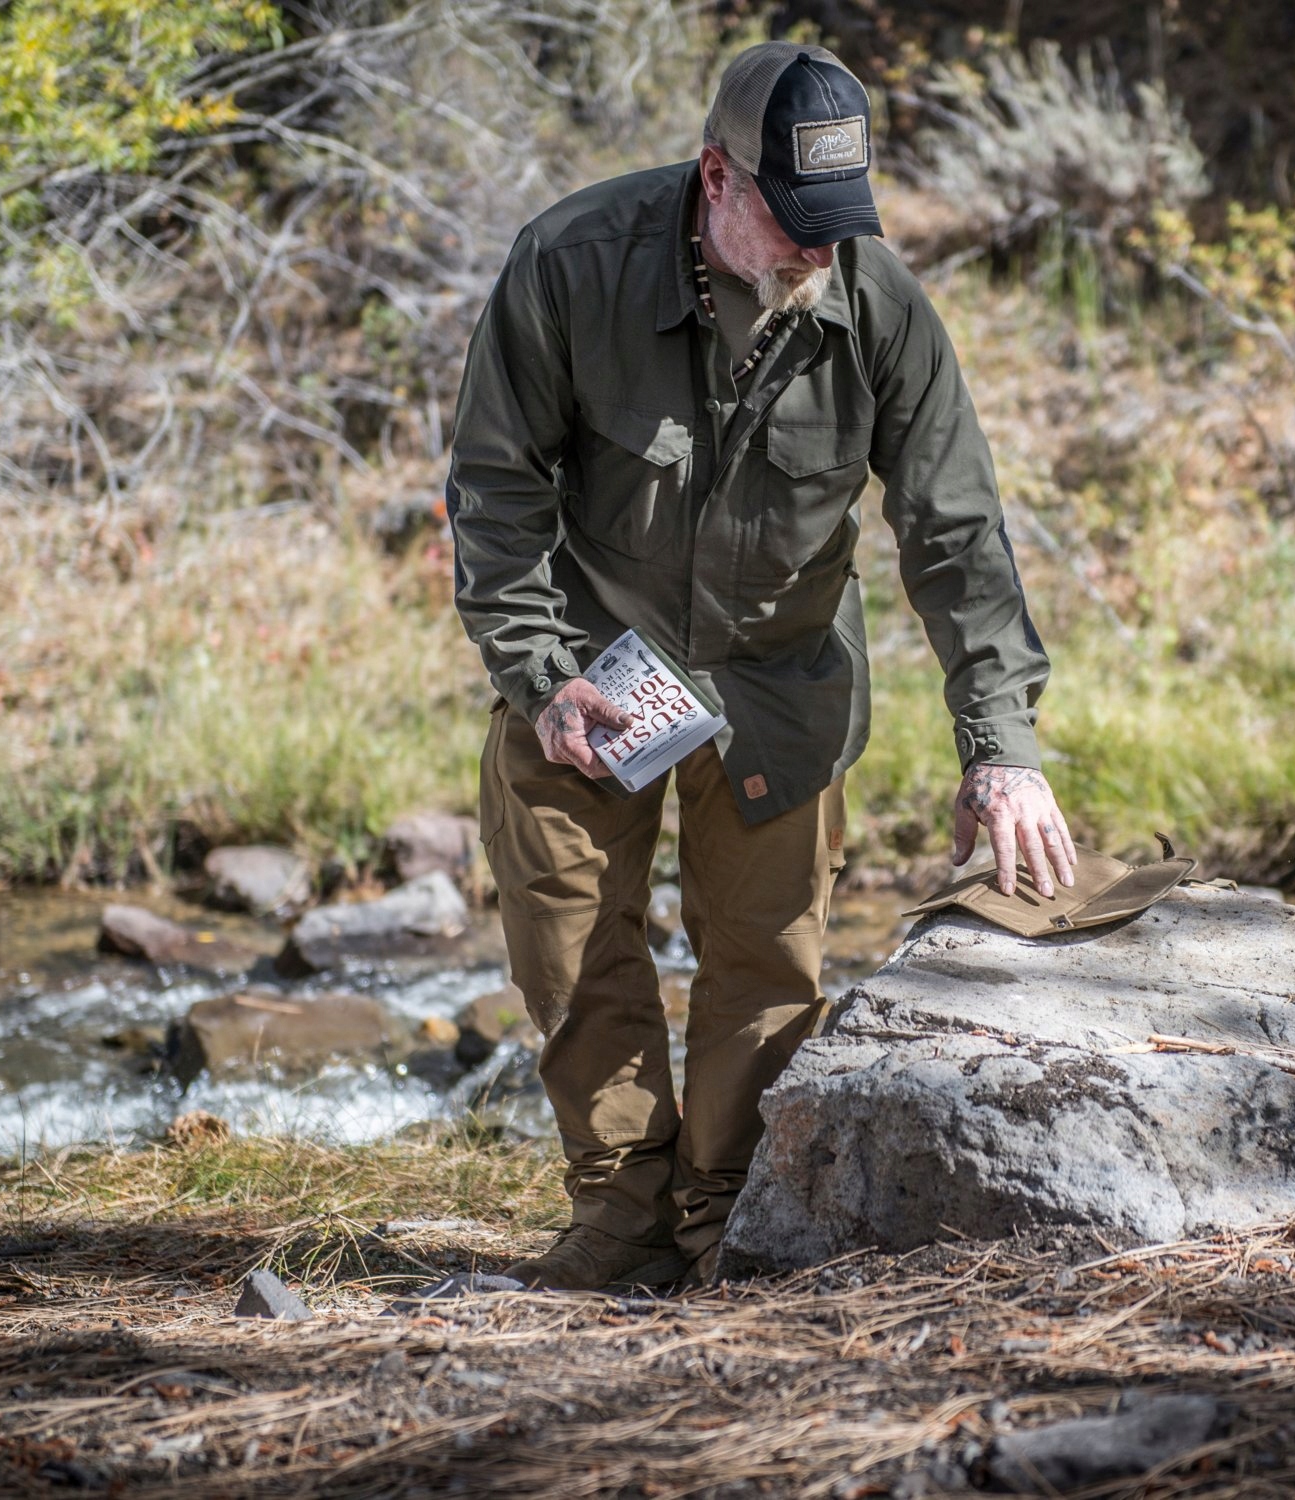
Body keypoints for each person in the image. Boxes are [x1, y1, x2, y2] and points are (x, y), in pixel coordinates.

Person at [447, 40, 1077, 1291]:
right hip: (591, 671)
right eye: (793, 222)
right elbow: (496, 490)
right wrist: (538, 669)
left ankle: (723, 1228)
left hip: (781, 684)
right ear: (714, 179)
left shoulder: (878, 306)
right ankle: (622, 1221)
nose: (815, 252)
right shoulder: (572, 265)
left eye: (837, 225)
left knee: (765, 968)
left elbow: (955, 535)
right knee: (567, 944)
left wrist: (1000, 746)